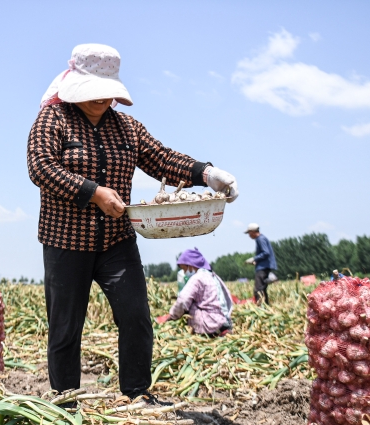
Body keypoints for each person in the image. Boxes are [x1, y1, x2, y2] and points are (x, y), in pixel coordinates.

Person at [27, 44, 240, 402]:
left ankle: (138, 393)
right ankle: (65, 400)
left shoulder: (127, 128)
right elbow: (41, 168)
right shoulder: (53, 120)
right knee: (65, 328)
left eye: (107, 91)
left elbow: (162, 159)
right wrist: (94, 192)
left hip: (116, 241)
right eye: (94, 91)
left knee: (136, 317)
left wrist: (207, 173)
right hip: (65, 242)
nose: (102, 99)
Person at [156, 249, 233, 336]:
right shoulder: (212, 275)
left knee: (189, 305)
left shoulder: (197, 278)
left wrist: (171, 316)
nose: (184, 272)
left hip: (210, 325)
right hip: (221, 321)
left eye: (184, 268)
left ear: (191, 265)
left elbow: (183, 300)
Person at [244, 223, 277, 304]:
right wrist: (256, 261)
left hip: (263, 267)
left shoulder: (260, 239)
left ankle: (261, 307)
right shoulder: (262, 238)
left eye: (249, 233)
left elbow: (266, 252)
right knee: (262, 288)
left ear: (252, 232)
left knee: (258, 289)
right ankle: (266, 306)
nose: (249, 235)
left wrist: (254, 258)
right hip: (264, 265)